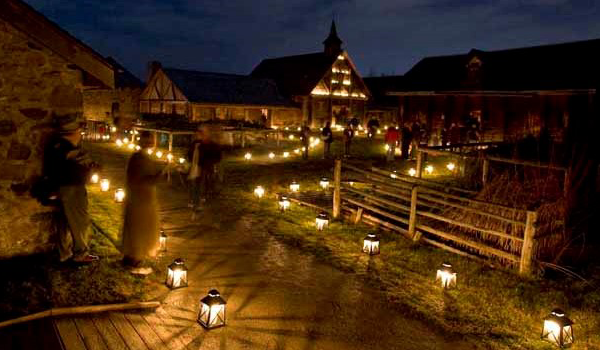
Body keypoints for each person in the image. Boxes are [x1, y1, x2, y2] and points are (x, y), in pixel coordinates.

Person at [43, 116, 100, 264]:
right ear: (73, 132)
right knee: (79, 221)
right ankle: (81, 253)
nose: (81, 133)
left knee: (64, 221)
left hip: (63, 188)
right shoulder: (69, 151)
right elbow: (78, 170)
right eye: (79, 130)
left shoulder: (57, 146)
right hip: (72, 188)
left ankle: (64, 252)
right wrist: (91, 168)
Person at [122, 131, 165, 274]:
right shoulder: (139, 158)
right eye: (149, 140)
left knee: (137, 228)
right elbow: (141, 180)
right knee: (140, 229)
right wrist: (159, 176)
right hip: (140, 200)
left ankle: (130, 258)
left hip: (141, 198)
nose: (151, 143)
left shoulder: (142, 157)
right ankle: (135, 261)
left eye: (152, 140)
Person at [197, 126, 222, 204]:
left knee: (209, 179)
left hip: (209, 165)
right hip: (202, 165)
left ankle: (208, 193)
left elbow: (218, 155)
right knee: (203, 180)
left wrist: (213, 162)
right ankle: (205, 194)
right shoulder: (199, 144)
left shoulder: (212, 145)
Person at [187, 127, 203, 209]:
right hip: (193, 166)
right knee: (192, 185)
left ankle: (197, 202)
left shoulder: (203, 145)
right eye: (196, 134)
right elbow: (189, 154)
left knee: (198, 185)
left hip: (200, 167)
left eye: (198, 134)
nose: (197, 136)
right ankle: (192, 201)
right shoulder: (193, 144)